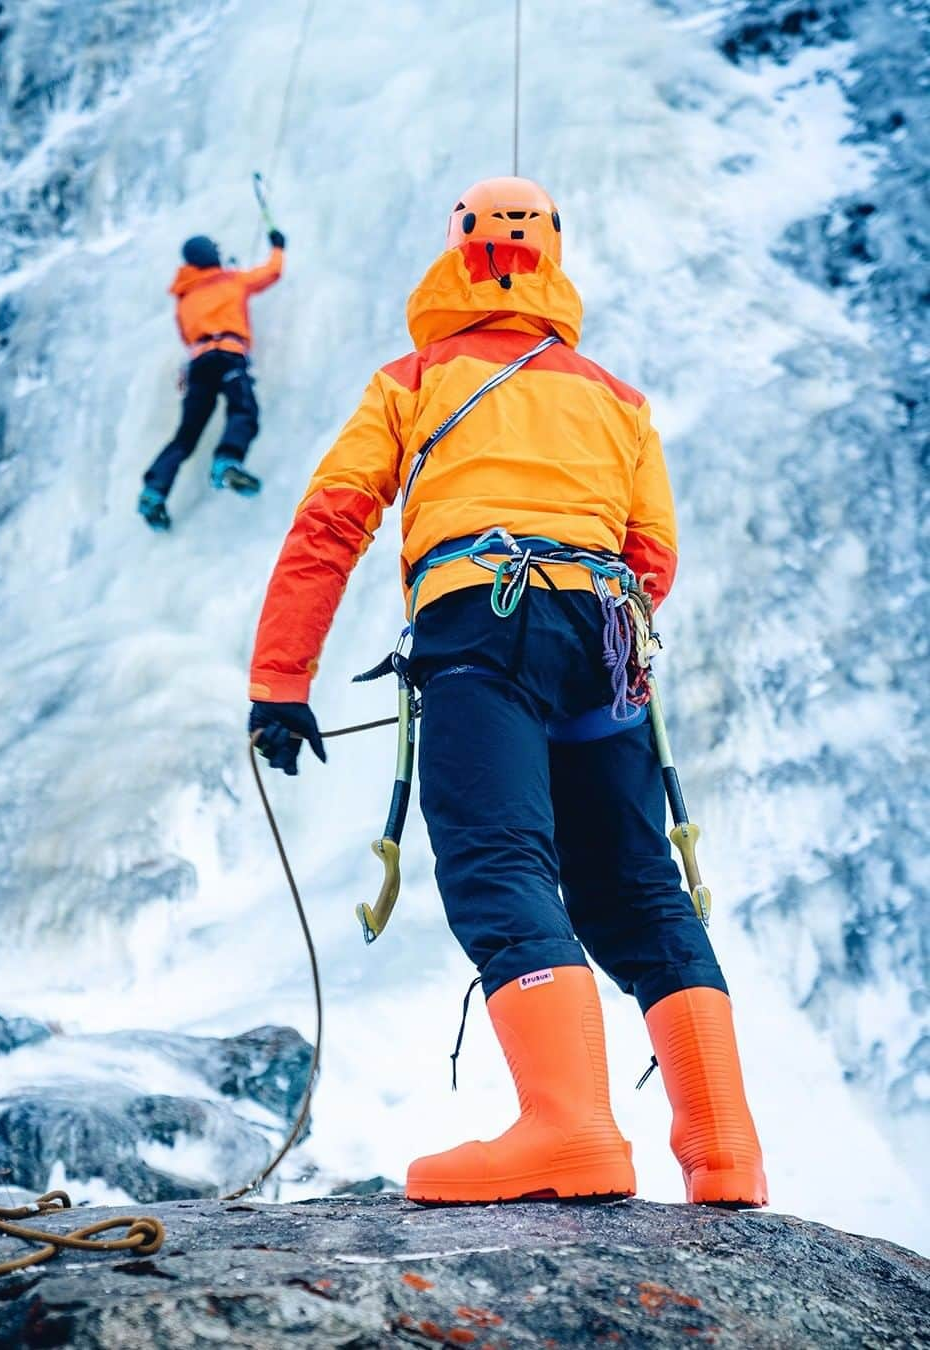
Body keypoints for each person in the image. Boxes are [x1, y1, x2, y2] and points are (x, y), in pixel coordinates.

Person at [246, 178, 767, 1208]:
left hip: (481, 621)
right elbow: (653, 553)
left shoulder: (414, 377)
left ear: (459, 253)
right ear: (551, 263)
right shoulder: (616, 397)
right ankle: (724, 1154)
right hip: (605, 631)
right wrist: (593, 628)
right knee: (633, 885)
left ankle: (569, 1131)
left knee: (497, 857)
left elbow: (332, 524)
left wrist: (280, 682)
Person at [138, 229, 286, 530]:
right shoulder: (231, 279)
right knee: (244, 410)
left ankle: (154, 490)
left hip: (198, 364)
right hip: (228, 354)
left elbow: (186, 337)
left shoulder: (184, 297)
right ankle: (227, 462)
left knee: (187, 435)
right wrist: (277, 247)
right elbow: (271, 273)